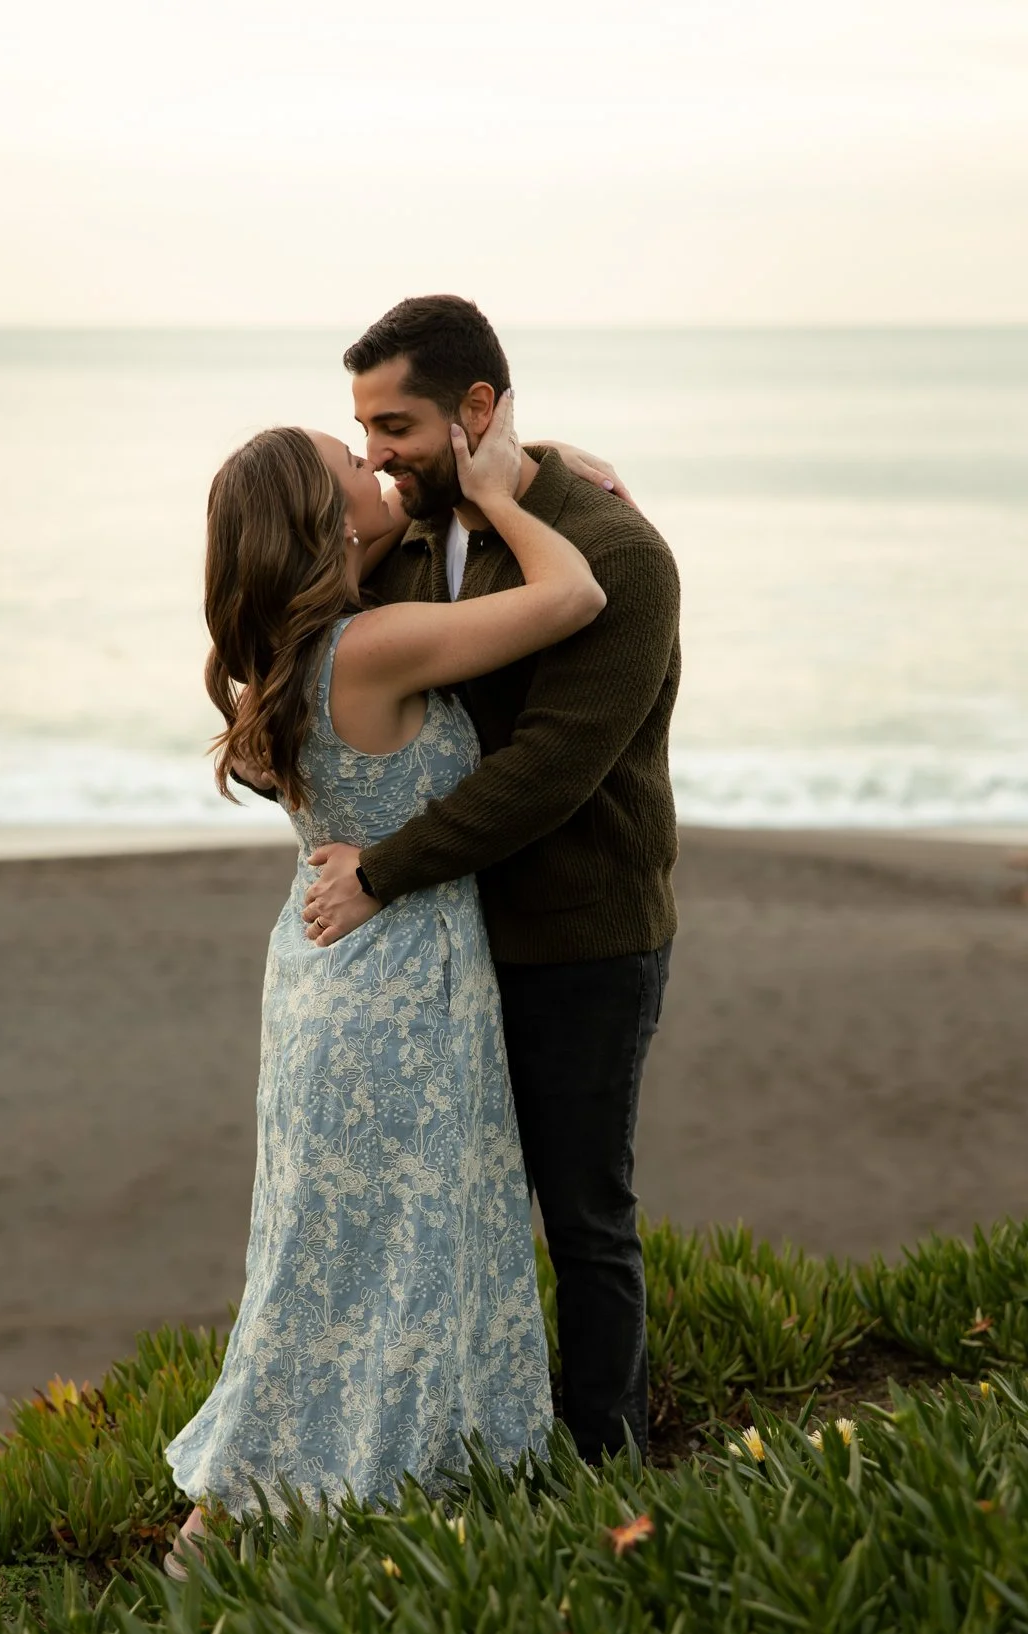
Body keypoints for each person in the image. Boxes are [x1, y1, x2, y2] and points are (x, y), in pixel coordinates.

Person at [162, 392, 608, 1579]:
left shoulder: (295, 652)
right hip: (397, 992)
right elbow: (575, 598)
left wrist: (544, 463)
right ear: (326, 517)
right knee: (393, 1253)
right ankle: (269, 1519)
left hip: (335, 980)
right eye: (344, 464)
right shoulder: (371, 647)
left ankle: (297, 1512)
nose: (370, 465)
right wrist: (515, 499)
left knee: (330, 1256)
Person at [301, 295, 681, 1474]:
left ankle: (609, 1462)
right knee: (455, 1216)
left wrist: (383, 871)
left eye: (394, 424)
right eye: (361, 428)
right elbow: (300, 623)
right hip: (447, 940)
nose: (374, 454)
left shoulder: (617, 554)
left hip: (578, 938)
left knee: (583, 1216)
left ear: (476, 409)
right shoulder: (406, 542)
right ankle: (479, 1448)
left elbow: (549, 773)